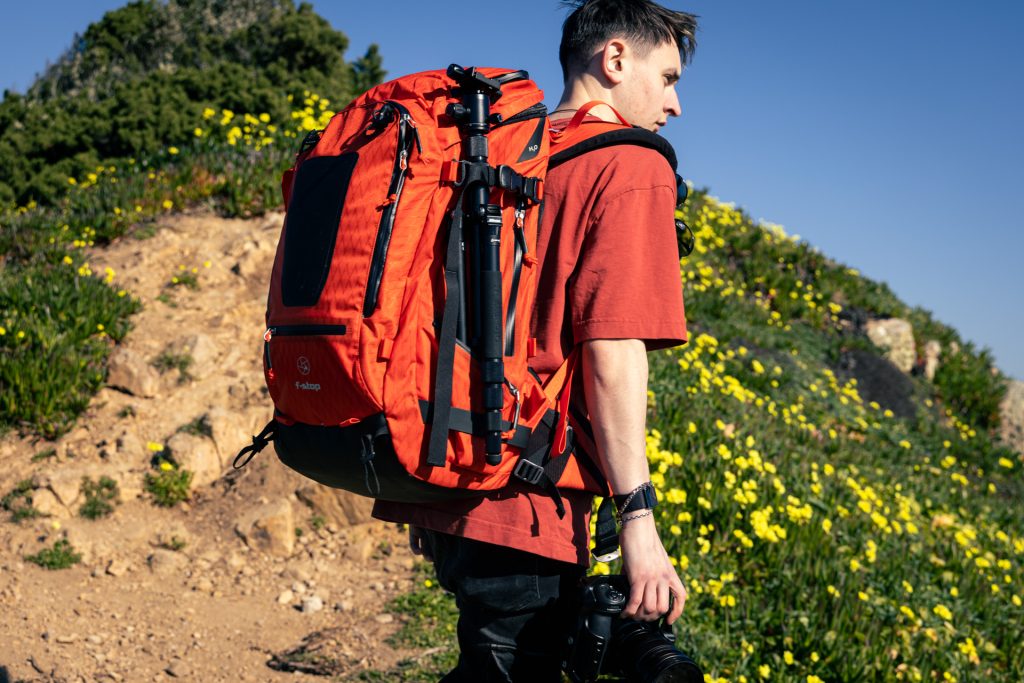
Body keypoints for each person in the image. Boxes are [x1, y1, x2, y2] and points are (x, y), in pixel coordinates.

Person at [372, 1, 698, 679]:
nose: (675, 104)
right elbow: (612, 352)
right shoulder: (630, 164)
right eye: (668, 78)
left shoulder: (496, 153)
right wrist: (638, 520)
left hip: (453, 471)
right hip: (528, 498)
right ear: (615, 59)